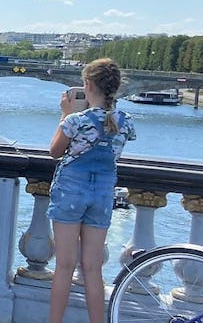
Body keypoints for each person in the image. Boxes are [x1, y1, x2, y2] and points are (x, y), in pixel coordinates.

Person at [47, 58, 136, 323]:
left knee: (64, 266)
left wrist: (64, 113)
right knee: (93, 269)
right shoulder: (125, 121)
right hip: (103, 195)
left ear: (87, 85)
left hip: (70, 192)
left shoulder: (76, 120)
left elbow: (55, 152)